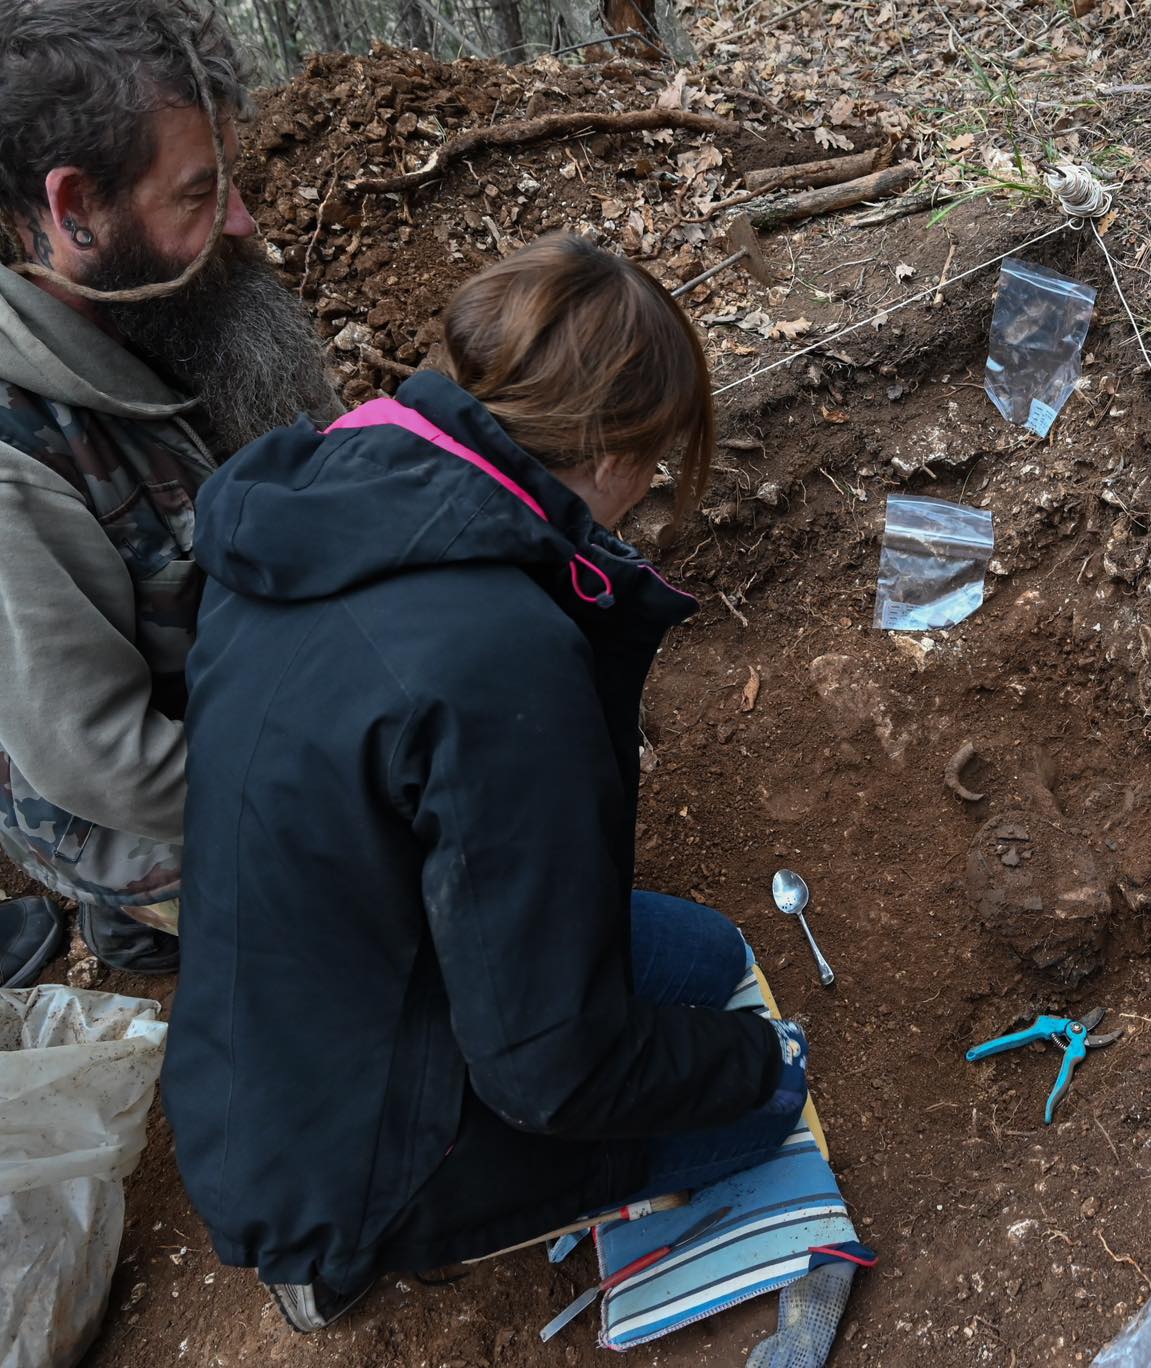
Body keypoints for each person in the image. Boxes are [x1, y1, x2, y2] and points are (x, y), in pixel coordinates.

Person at [162, 233, 809, 1333]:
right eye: (653, 461)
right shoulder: (495, 651)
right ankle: (349, 1260)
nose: (646, 492)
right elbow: (550, 1069)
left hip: (284, 1029)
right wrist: (754, 1061)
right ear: (610, 450)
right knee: (769, 1097)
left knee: (704, 957)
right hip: (350, 1161)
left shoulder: (331, 494)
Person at [0, 0, 339, 983]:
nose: (242, 221)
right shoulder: (17, 464)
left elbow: (320, 461)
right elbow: (98, 754)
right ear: (75, 215)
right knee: (373, 897)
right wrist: (333, 778)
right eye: (198, 193)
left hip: (242, 681)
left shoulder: (181, 298)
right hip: (134, 794)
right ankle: (143, 909)